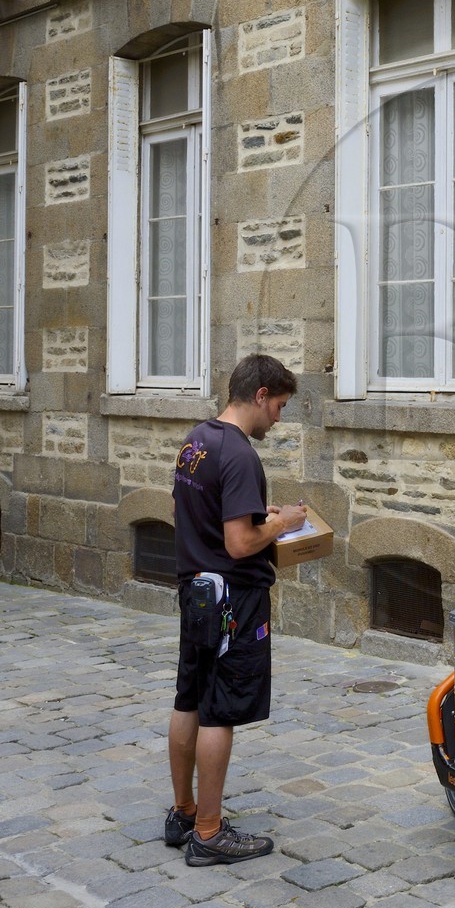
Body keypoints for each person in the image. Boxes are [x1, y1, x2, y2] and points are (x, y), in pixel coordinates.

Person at [165, 354, 307, 866]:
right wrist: (282, 522)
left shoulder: (196, 441)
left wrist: (253, 517)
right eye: (281, 406)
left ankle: (183, 812)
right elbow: (242, 543)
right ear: (262, 394)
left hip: (195, 591)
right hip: (232, 600)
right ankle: (208, 832)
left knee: (189, 700)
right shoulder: (242, 456)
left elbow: (189, 514)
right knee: (219, 709)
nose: (279, 419)